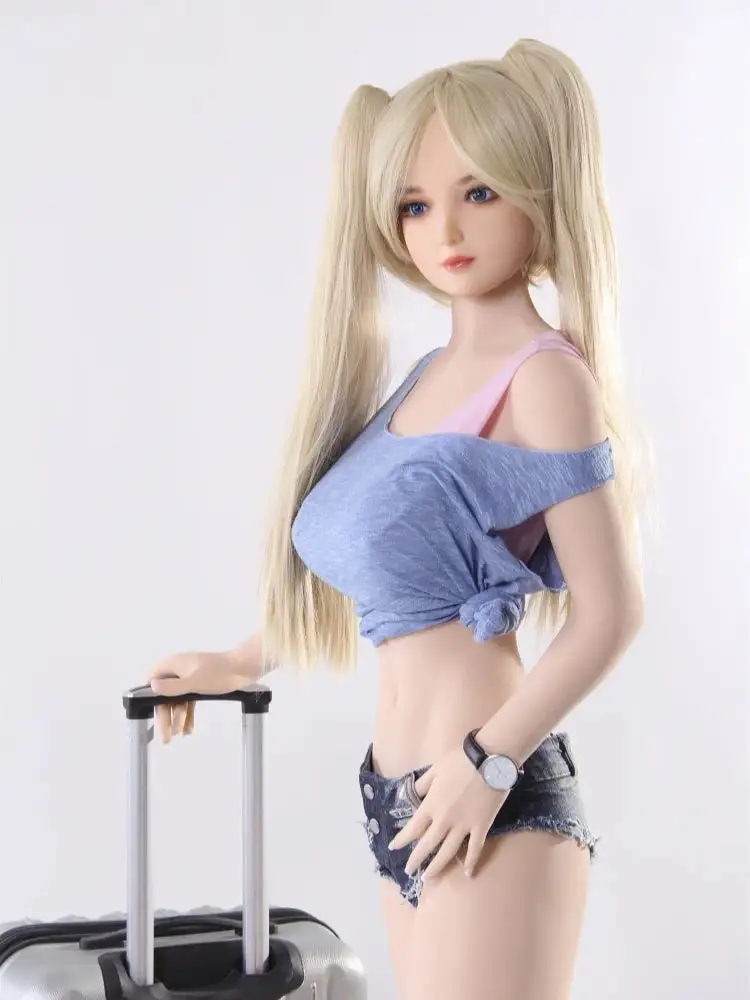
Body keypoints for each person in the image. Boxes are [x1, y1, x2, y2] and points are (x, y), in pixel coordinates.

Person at [147, 38, 650, 1000]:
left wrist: (488, 763)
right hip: (404, 795)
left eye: (479, 192)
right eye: (415, 205)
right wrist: (242, 660)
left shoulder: (544, 379)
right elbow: (389, 574)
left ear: (536, 192)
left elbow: (611, 616)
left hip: (488, 790)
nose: (445, 229)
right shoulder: (425, 379)